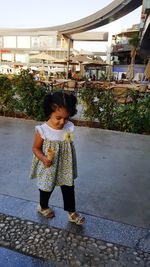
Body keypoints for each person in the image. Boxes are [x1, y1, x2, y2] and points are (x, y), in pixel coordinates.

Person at [30, 90, 85, 225]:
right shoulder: (42, 130)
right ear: (50, 112)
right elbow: (35, 148)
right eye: (58, 118)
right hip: (49, 165)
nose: (62, 122)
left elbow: (68, 143)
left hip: (65, 165)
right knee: (46, 187)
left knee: (69, 188)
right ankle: (43, 206)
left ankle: (71, 213)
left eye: (66, 118)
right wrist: (43, 158)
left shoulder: (69, 126)